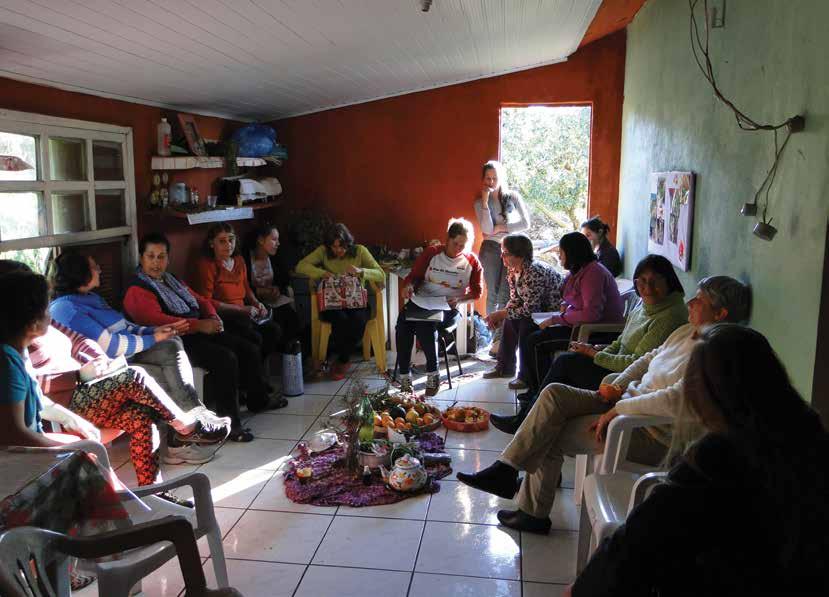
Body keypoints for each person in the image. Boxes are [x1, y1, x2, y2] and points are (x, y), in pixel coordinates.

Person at [456, 275, 752, 534]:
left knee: (548, 430)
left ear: (720, 312)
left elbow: (676, 399)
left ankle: (531, 511)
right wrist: (617, 386)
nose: (690, 303)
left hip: (649, 433)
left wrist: (619, 410)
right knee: (555, 394)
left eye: (699, 301)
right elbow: (645, 360)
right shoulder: (686, 331)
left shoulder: (714, 353)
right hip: (626, 403)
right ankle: (506, 469)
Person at [571, 324, 829, 596]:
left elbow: (634, 546)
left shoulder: (715, 462)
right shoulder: (811, 438)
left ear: (707, 397)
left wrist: (580, 589)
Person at [0, 268, 228, 494]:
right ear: (31, 322)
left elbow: (40, 399)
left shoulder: (20, 351)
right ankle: (186, 426)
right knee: (134, 376)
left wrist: (74, 411)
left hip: (78, 394)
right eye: (45, 310)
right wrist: (70, 449)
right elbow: (14, 434)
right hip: (36, 444)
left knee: (140, 417)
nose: (51, 315)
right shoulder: (7, 362)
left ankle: (155, 492)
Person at [492, 254, 688, 433]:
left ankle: (528, 418)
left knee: (562, 363)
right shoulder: (645, 304)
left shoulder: (669, 316)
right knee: (558, 355)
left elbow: (635, 363)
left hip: (624, 379)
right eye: (642, 281)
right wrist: (597, 350)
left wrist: (594, 354)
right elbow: (622, 340)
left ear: (669, 281)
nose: (648, 288)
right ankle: (531, 414)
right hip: (611, 358)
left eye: (655, 281)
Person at [123, 232, 271, 441]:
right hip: (170, 344)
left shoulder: (170, 279)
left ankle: (257, 399)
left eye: (162, 256)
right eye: (151, 256)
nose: (156, 262)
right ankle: (231, 425)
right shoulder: (137, 289)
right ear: (141, 258)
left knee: (248, 346)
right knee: (225, 358)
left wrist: (211, 315)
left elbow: (200, 299)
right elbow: (158, 320)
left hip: (195, 332)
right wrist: (200, 325)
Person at [49, 252, 216, 416]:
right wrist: (153, 338)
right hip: (104, 372)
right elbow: (111, 346)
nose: (100, 270)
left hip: (126, 356)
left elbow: (126, 327)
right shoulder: (65, 309)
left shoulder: (91, 298)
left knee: (172, 343)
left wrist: (155, 330)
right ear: (80, 273)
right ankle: (192, 422)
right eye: (94, 267)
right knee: (163, 378)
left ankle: (195, 417)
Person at [191, 222, 287, 411]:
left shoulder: (239, 260)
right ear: (212, 244)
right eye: (222, 241)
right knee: (253, 339)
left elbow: (246, 288)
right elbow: (207, 302)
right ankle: (255, 392)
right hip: (223, 317)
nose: (228, 245)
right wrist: (241, 310)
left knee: (273, 331)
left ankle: (252, 383)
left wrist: (256, 303)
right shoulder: (207, 265)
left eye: (231, 240)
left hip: (244, 314)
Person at [520, 231, 624, 397]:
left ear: (572, 253)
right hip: (581, 325)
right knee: (527, 328)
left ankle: (538, 393)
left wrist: (556, 319)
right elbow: (573, 296)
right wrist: (565, 305)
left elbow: (591, 314)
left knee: (536, 342)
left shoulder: (593, 273)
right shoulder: (579, 270)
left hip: (596, 332)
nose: (559, 257)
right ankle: (533, 386)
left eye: (561, 253)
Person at [396, 218, 483, 396]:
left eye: (463, 245)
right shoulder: (432, 253)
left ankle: (433, 374)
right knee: (403, 327)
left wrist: (460, 300)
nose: (458, 249)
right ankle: (405, 376)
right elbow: (414, 276)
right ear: (447, 239)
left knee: (425, 325)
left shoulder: (472, 262)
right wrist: (409, 286)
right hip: (422, 300)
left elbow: (477, 292)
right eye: (455, 243)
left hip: (449, 306)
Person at [296, 223, 385, 380]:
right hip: (333, 302)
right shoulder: (323, 252)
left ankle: (343, 359)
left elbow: (380, 274)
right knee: (340, 319)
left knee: (358, 320)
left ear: (348, 243)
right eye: (334, 247)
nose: (338, 250)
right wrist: (322, 273)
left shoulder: (359, 251)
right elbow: (301, 266)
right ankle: (342, 359)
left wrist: (361, 271)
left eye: (342, 246)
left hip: (356, 301)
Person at [482, 233, 563, 389]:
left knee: (524, 323)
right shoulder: (513, 271)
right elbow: (516, 300)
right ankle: (504, 367)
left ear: (520, 254)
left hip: (551, 313)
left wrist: (501, 313)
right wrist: (500, 315)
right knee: (510, 318)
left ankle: (526, 376)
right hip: (536, 312)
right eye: (502, 253)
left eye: (506, 253)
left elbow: (531, 309)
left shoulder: (534, 271)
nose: (502, 257)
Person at [473, 160, 530, 353]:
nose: (491, 182)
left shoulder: (513, 197)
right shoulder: (480, 202)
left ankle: (501, 340)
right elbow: (487, 230)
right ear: (483, 180)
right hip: (490, 248)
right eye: (487, 178)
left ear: (501, 178)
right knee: (492, 293)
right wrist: (485, 201)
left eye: (494, 178)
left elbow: (525, 224)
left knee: (508, 293)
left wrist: (502, 228)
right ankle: (492, 338)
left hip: (511, 248)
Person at [243, 222, 308, 358]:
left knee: (293, 320)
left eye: (278, 239)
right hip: (253, 303)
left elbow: (283, 279)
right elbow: (243, 286)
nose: (278, 243)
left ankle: (291, 360)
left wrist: (277, 289)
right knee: (275, 324)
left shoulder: (276, 257)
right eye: (274, 239)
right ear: (261, 240)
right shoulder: (244, 258)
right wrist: (260, 292)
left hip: (274, 301)